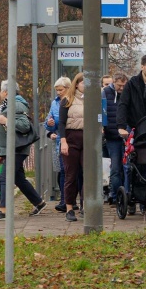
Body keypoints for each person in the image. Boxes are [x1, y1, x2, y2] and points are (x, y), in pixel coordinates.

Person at [0, 80, 47, 221]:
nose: (0, 93)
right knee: (18, 178)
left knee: (5, 177)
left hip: (17, 148)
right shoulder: (10, 104)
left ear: (6, 92)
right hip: (12, 148)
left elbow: (24, 126)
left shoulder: (16, 104)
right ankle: (39, 202)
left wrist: (6, 121)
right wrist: (2, 153)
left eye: (1, 90)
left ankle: (3, 211)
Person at [59, 73, 88, 222]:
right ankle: (69, 207)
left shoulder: (93, 100)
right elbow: (62, 123)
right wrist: (63, 142)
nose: (86, 86)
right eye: (84, 83)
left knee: (88, 174)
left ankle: (85, 206)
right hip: (71, 138)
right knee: (71, 174)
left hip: (88, 139)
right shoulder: (67, 100)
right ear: (77, 84)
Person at [45, 76, 72, 212]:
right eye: (57, 90)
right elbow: (49, 122)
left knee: (72, 172)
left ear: (68, 88)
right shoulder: (55, 103)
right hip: (60, 142)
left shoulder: (74, 101)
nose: (58, 93)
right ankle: (64, 200)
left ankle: (73, 200)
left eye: (61, 90)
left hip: (73, 138)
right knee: (63, 171)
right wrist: (50, 125)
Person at [103, 72, 128, 205]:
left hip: (126, 135)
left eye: (124, 85)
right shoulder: (106, 92)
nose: (122, 88)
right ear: (114, 82)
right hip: (112, 135)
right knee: (115, 168)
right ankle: (116, 194)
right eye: (119, 85)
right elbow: (102, 110)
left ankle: (126, 194)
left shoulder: (127, 92)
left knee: (127, 167)